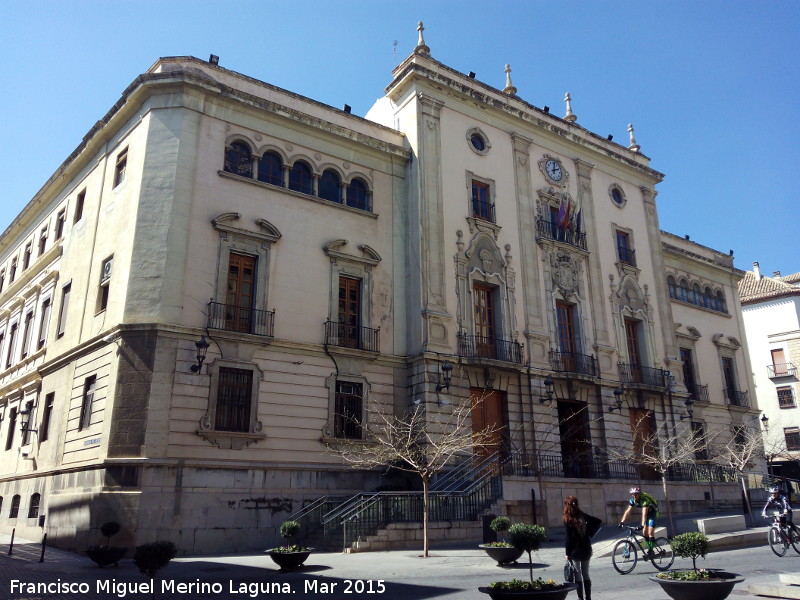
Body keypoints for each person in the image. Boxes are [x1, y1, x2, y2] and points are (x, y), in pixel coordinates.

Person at [564, 495, 601, 600]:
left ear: (567, 506)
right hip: (586, 549)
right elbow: (598, 521)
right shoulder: (583, 516)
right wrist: (589, 532)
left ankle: (581, 598)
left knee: (578, 575)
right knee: (586, 574)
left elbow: (568, 539)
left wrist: (567, 553)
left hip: (575, 552)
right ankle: (588, 597)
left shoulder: (568, 519)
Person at [619, 485, 660, 559]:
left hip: (653, 513)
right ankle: (650, 549)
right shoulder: (633, 500)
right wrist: (622, 522)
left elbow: (644, 514)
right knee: (644, 533)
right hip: (647, 514)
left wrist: (642, 525)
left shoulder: (644, 500)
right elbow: (628, 512)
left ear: (639, 494)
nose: (634, 496)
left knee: (650, 532)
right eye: (633, 494)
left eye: (636, 494)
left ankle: (651, 550)